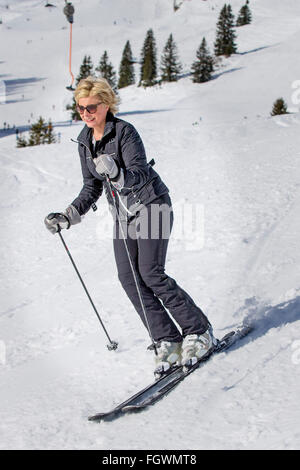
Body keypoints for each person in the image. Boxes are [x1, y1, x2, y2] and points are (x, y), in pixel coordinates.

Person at [44, 76, 216, 377]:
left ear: (106, 104)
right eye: (81, 108)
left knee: (151, 273)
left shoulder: (125, 132)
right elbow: (91, 187)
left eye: (91, 107)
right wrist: (69, 215)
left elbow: (139, 172)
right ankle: (167, 338)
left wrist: (118, 172)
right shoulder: (85, 142)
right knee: (129, 278)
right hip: (124, 217)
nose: (86, 114)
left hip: (153, 205)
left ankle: (198, 330)